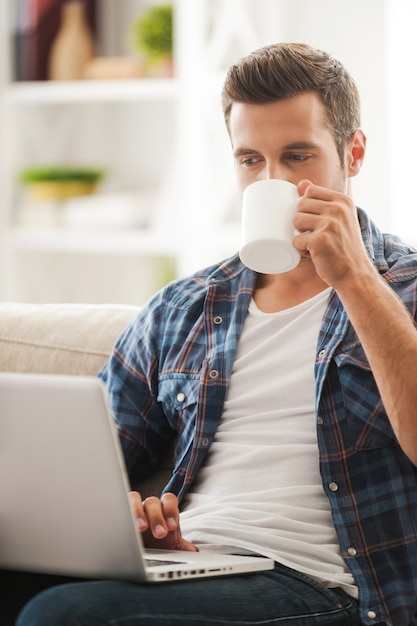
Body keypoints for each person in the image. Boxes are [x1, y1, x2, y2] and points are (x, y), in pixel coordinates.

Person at [13, 42, 417, 626]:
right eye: (251, 160)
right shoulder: (185, 307)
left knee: (66, 615)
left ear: (353, 153)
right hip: (196, 566)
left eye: (298, 156)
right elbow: (72, 468)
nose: (271, 181)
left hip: (326, 588)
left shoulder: (402, 289)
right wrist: (122, 517)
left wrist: (353, 278)